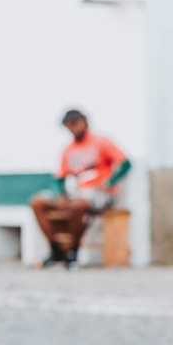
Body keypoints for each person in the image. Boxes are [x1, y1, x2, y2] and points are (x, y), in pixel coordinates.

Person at [29, 110, 130, 269]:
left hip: (100, 194)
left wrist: (109, 182)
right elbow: (59, 178)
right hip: (76, 192)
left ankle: (72, 253)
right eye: (69, 126)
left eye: (75, 124)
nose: (73, 128)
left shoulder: (101, 142)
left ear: (84, 122)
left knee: (78, 205)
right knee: (38, 202)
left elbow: (126, 164)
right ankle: (56, 251)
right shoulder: (68, 150)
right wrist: (60, 194)